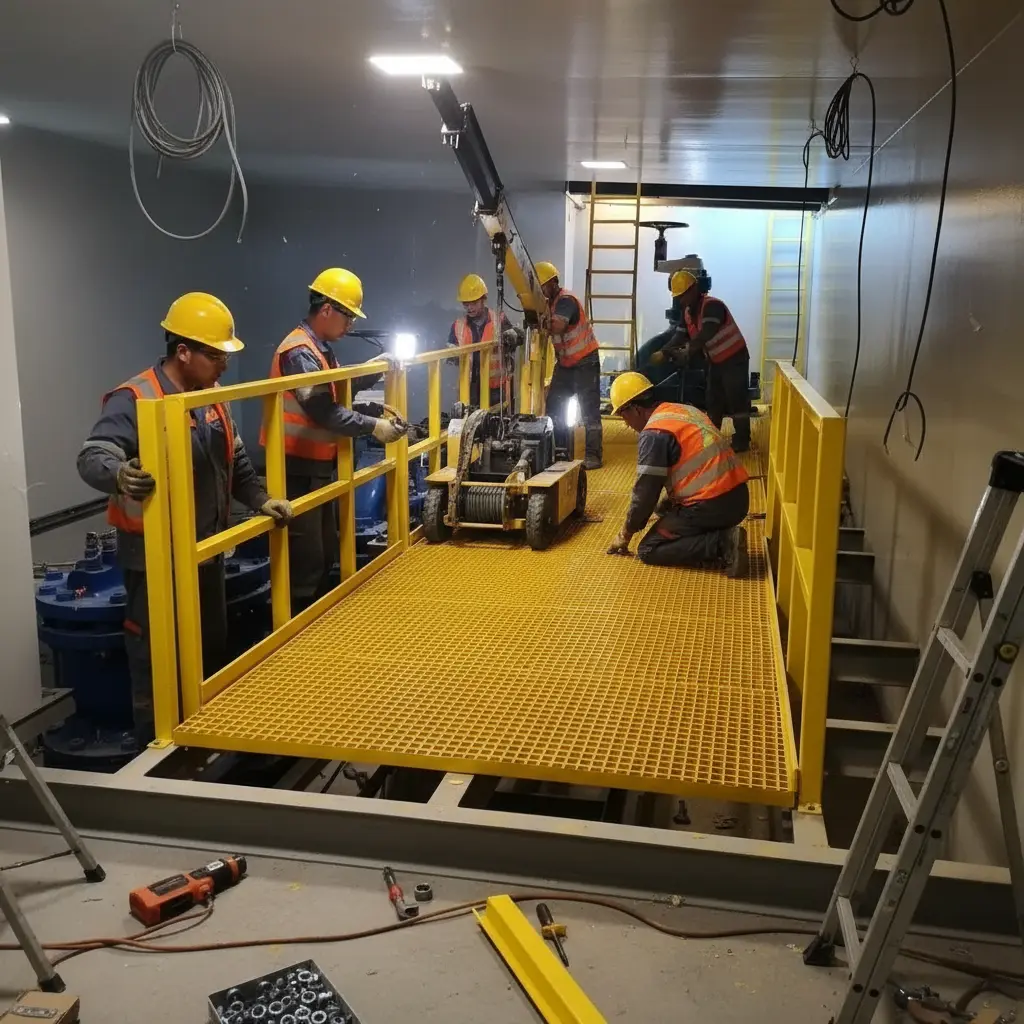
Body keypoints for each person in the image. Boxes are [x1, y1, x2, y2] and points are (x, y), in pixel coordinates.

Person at [77, 292, 293, 747]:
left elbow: (234, 460)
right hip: (153, 558)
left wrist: (261, 499)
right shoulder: (136, 397)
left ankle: (205, 737)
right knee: (157, 654)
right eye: (216, 356)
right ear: (183, 352)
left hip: (205, 550)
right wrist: (119, 474)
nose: (224, 366)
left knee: (208, 645)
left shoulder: (212, 397)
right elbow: (94, 454)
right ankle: (154, 745)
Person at [260, 267, 409, 611]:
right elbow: (323, 410)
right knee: (308, 556)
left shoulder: (318, 348)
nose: (351, 325)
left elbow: (334, 389)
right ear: (326, 309)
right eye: (348, 316)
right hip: (295, 467)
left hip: (315, 464)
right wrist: (374, 426)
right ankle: (297, 622)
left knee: (325, 547)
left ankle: (314, 613)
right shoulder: (299, 352)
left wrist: (369, 370)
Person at [605, 371, 749, 576]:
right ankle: (717, 534)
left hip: (713, 504)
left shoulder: (654, 433)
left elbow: (645, 493)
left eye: (623, 415)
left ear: (635, 409)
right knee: (663, 509)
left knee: (649, 549)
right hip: (739, 497)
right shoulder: (683, 410)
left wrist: (625, 534)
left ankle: (723, 544)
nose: (626, 424)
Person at [659, 270, 751, 452]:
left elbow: (706, 333)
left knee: (736, 400)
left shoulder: (712, 306)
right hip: (716, 361)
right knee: (713, 400)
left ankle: (742, 440)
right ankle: (712, 439)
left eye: (684, 295)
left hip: (734, 359)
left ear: (694, 289)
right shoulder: (687, 313)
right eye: (679, 297)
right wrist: (664, 351)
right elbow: (679, 336)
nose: (681, 300)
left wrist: (687, 351)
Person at [535, 260, 603, 469]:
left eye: (543, 285)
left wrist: (537, 320)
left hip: (585, 362)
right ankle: (561, 452)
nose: (541, 290)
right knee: (554, 406)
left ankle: (593, 456)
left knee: (589, 410)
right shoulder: (549, 305)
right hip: (565, 364)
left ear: (554, 283)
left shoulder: (566, 301)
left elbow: (558, 326)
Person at [447, 273, 523, 409]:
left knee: (494, 421)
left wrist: (514, 335)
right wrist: (451, 353)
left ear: (483, 300)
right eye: (466, 304)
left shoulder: (499, 320)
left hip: (495, 390)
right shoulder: (458, 325)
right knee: (470, 420)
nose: (469, 308)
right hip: (469, 389)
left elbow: (516, 339)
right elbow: (451, 349)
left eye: (474, 303)